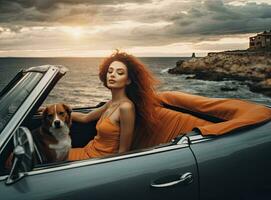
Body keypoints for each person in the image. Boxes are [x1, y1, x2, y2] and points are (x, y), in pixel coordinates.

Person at [68, 50, 160, 160]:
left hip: (96, 160)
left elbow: (123, 151)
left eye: (120, 73)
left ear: (128, 81)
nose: (112, 75)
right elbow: (85, 118)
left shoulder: (126, 107)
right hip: (88, 151)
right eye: (110, 71)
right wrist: (56, 112)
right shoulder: (111, 103)